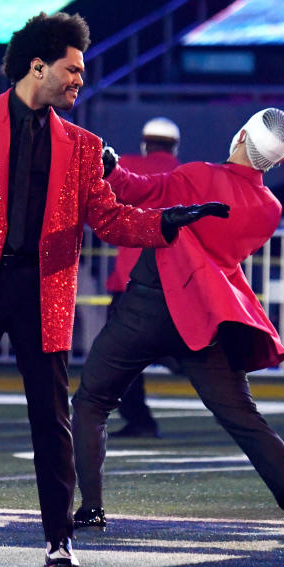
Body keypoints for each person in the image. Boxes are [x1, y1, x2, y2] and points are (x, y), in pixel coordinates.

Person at [0, 11, 228, 567]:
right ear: (37, 65)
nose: (80, 80)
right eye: (72, 69)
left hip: (40, 289)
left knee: (52, 416)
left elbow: (112, 220)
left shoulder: (82, 144)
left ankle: (59, 540)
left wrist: (168, 222)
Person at [71, 107, 284, 539]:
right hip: (206, 317)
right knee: (244, 418)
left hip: (147, 307)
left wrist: (110, 167)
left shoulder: (200, 175)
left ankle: (92, 508)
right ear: (278, 161)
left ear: (241, 134)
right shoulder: (270, 207)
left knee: (92, 402)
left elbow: (141, 191)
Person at [105, 116, 182, 439]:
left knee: (118, 358)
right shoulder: (185, 174)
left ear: (145, 141)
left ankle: (139, 418)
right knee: (184, 350)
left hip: (130, 280)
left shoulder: (127, 166)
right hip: (174, 282)